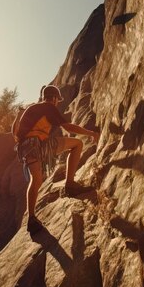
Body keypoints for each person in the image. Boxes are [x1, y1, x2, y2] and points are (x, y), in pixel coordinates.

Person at [14, 85, 100, 234]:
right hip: (38, 145)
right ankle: (70, 184)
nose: (57, 103)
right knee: (77, 144)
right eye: (57, 99)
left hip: (26, 148)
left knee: (36, 180)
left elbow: (15, 133)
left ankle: (32, 219)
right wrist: (91, 133)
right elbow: (69, 127)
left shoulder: (32, 109)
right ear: (54, 98)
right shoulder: (49, 107)